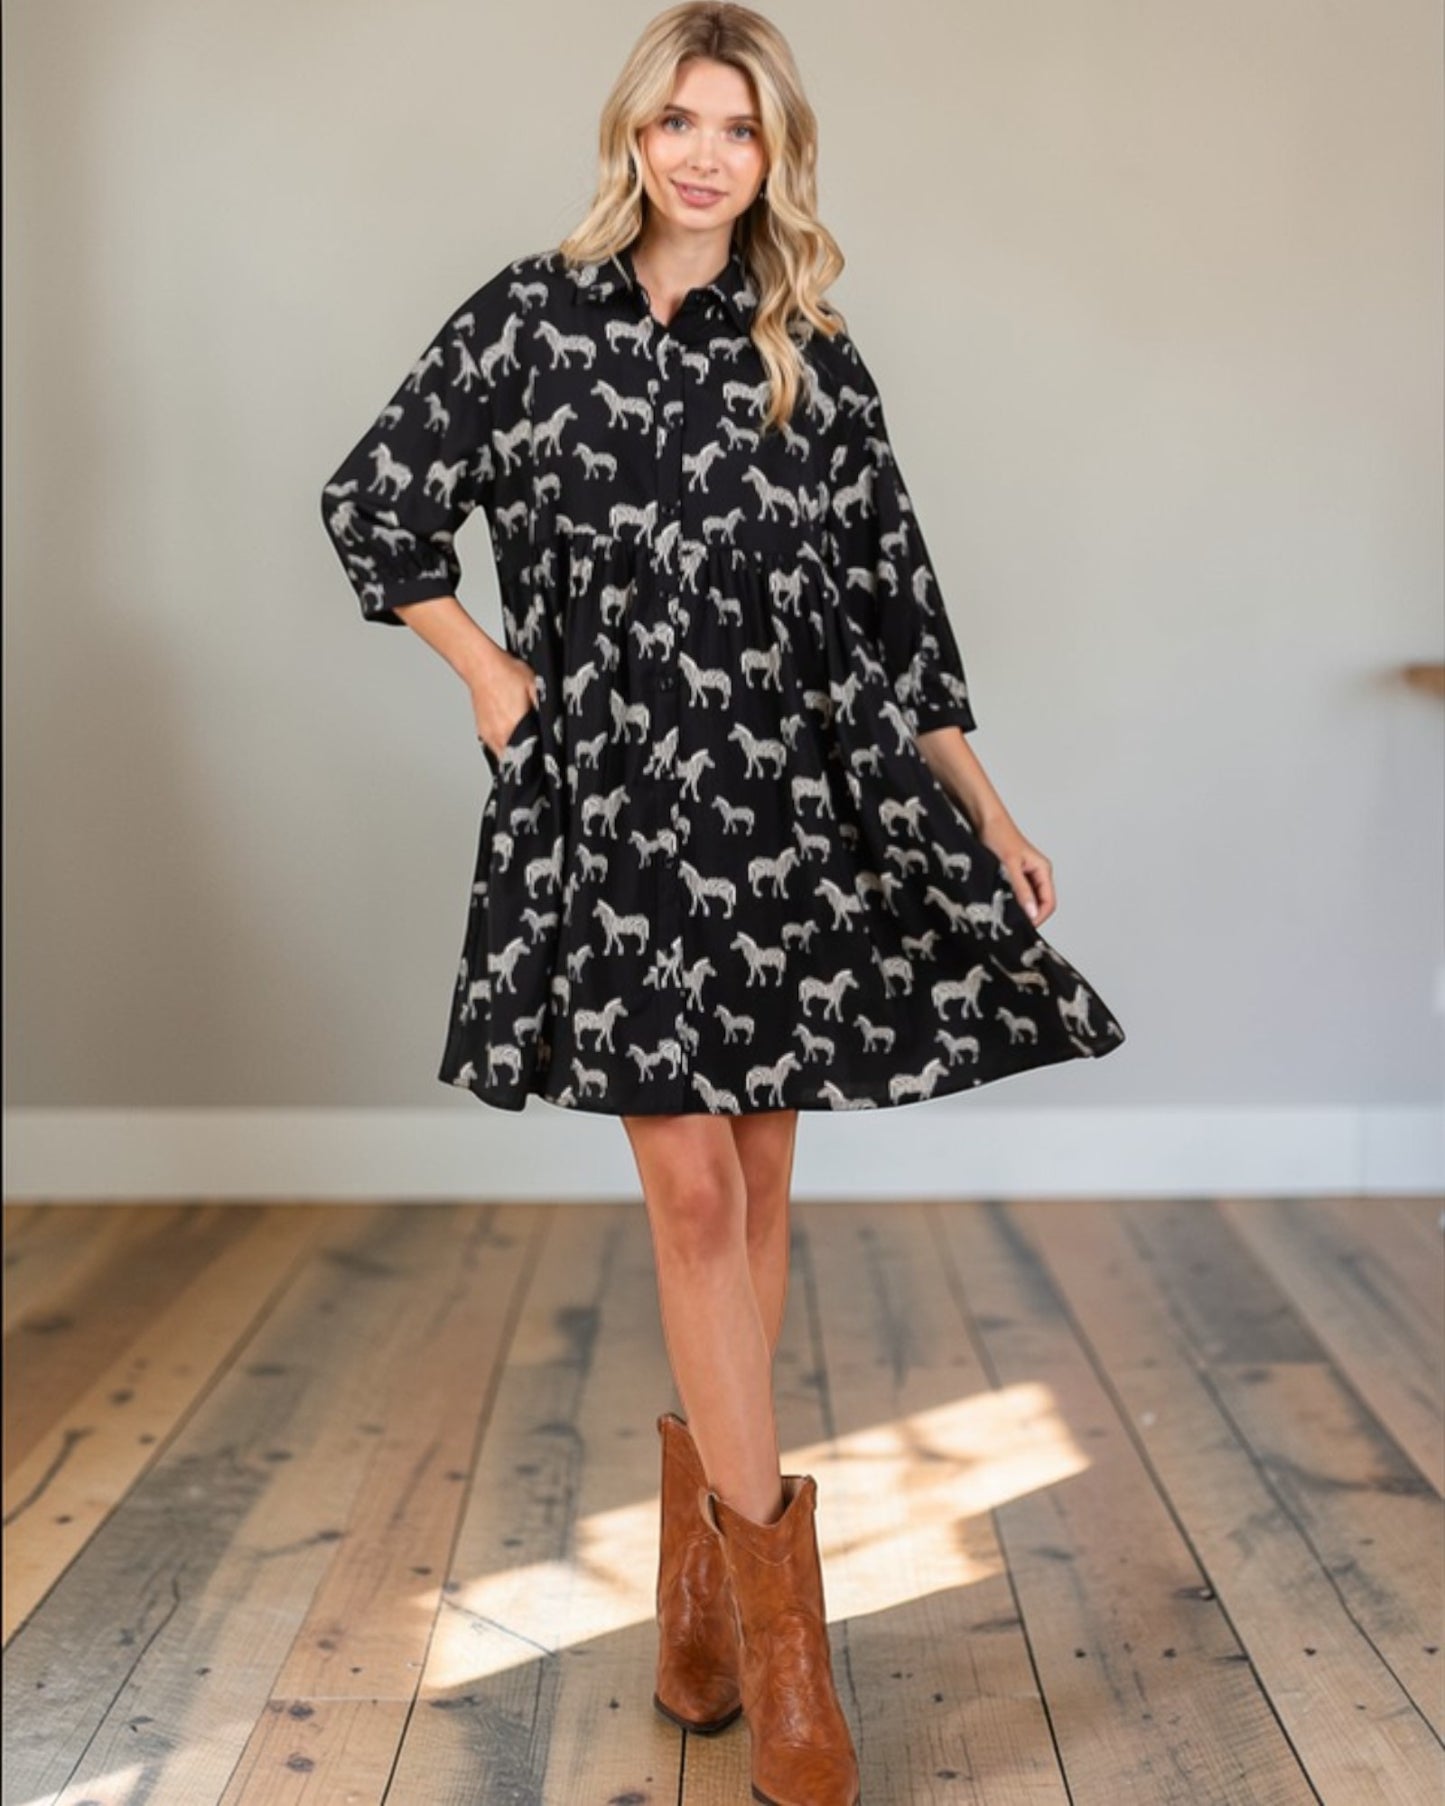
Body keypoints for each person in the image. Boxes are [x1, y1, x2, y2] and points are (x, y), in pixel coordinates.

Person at [320, 7, 1125, 1801]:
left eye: (736, 130)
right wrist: (481, 671)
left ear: (774, 158)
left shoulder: (810, 353)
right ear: (634, 132)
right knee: (690, 1184)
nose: (701, 154)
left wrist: (983, 807)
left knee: (755, 1176)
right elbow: (375, 504)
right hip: (609, 812)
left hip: (789, 812)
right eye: (678, 119)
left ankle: (695, 1598)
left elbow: (898, 612)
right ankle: (787, 1654)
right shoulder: (530, 319)